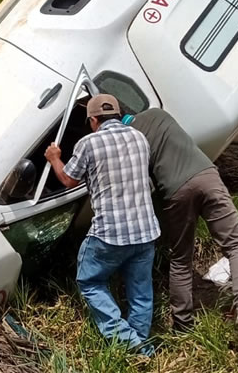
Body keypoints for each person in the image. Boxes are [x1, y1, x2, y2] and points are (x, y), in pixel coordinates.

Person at [125, 107, 238, 341]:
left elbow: (144, 185)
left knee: (181, 259)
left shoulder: (129, 140)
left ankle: (183, 326)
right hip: (206, 177)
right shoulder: (157, 114)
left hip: (175, 192)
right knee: (235, 246)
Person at [44, 94, 159, 355]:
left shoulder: (89, 143)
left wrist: (54, 157)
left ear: (93, 120)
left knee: (89, 282)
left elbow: (68, 180)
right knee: (140, 293)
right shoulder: (140, 138)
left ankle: (128, 341)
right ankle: (141, 349)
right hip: (145, 231)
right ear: (117, 115)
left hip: (110, 234)